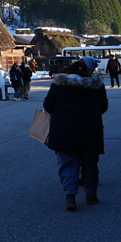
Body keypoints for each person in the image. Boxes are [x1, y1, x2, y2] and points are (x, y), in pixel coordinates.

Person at [42, 57, 108, 211]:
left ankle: (70, 197)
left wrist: (61, 115)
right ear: (87, 72)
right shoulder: (97, 87)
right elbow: (103, 107)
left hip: (64, 132)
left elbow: (48, 106)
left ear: (69, 72)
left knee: (67, 165)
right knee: (90, 165)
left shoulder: (58, 86)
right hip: (91, 131)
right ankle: (91, 196)